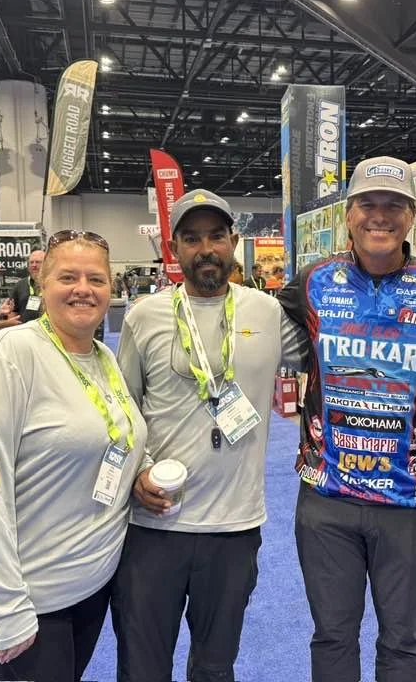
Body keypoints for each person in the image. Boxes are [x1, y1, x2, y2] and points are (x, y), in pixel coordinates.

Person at [277, 156, 416, 682]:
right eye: (368, 204)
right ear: (349, 216)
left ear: (412, 216)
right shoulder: (311, 283)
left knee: (402, 637)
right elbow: (250, 336)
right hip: (327, 500)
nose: (380, 216)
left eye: (394, 205)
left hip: (407, 502)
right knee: (332, 635)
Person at [0, 230, 149, 682]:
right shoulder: (7, 357)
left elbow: (113, 434)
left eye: (96, 278)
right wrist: (8, 607)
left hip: (82, 588)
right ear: (42, 284)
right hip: (21, 600)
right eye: (67, 276)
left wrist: (141, 470)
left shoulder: (103, 357)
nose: (83, 289)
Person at [112, 189, 306, 682]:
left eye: (216, 236)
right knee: (143, 668)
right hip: (155, 526)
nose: (206, 249)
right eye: (192, 238)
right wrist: (133, 474)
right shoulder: (144, 316)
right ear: (173, 249)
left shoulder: (266, 311)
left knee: (216, 668)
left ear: (233, 242)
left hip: (233, 529)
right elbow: (121, 412)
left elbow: (327, 359)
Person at [9, 248, 46, 323]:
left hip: (48, 330)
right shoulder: (20, 285)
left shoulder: (53, 283)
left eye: (38, 262)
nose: (34, 265)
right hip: (25, 331)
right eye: (31, 262)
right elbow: (13, 311)